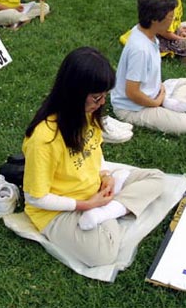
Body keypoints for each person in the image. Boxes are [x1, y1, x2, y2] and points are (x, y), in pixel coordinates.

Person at [22, 46, 165, 267]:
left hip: (93, 189)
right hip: (58, 210)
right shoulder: (44, 139)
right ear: (74, 94)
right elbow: (35, 198)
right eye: (97, 98)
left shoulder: (88, 113)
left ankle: (110, 210)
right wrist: (85, 205)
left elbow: (95, 150)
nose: (102, 103)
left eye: (104, 96)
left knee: (157, 179)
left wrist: (105, 175)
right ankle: (113, 208)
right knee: (103, 254)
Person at [112, 0, 186, 135]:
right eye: (170, 17)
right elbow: (132, 92)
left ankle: (167, 102)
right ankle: (167, 104)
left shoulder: (148, 34)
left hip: (153, 92)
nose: (172, 21)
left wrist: (159, 89)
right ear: (155, 19)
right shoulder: (140, 50)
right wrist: (156, 102)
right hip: (133, 108)